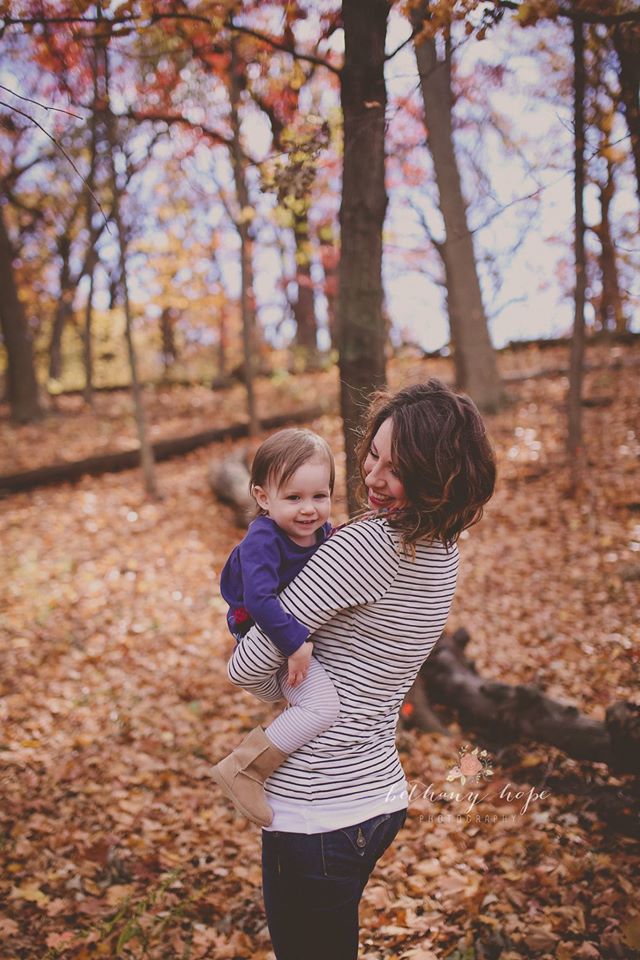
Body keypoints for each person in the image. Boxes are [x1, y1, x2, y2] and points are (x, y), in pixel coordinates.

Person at [223, 379, 496, 960]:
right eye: (373, 453)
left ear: (435, 475)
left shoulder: (365, 547)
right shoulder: (445, 551)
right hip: (376, 799)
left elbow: (246, 667)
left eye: (396, 468)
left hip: (315, 812)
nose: (372, 477)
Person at [213, 428, 341, 827]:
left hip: (291, 623)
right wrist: (295, 643)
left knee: (312, 700)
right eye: (294, 498)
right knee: (322, 705)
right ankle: (244, 767)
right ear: (263, 498)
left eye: (319, 496)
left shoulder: (321, 531)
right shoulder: (262, 539)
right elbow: (259, 601)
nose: (309, 509)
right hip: (257, 626)